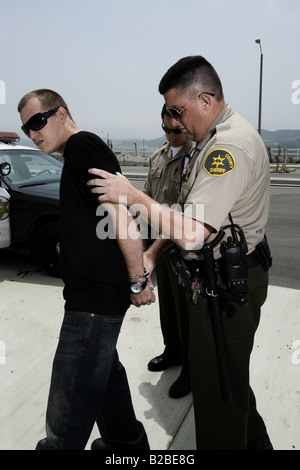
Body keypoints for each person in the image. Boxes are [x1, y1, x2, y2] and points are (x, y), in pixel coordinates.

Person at [87, 55, 274, 450]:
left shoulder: (228, 146)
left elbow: (191, 232)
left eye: (178, 110)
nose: (173, 120)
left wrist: (132, 195)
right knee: (230, 381)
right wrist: (153, 253)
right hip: (215, 280)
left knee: (216, 390)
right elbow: (185, 216)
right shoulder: (206, 142)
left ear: (205, 100)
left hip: (227, 286)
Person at [17, 89, 155, 451]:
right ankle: (127, 448)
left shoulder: (83, 148)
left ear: (61, 114)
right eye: (25, 128)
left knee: (67, 412)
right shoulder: (76, 154)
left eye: (37, 122)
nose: (32, 134)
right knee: (104, 380)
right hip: (93, 298)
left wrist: (138, 278)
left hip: (92, 304)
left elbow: (121, 217)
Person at [144, 104, 194, 398]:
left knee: (187, 311)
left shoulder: (195, 158)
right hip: (158, 244)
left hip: (183, 247)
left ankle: (190, 367)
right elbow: (147, 197)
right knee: (168, 307)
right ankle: (172, 351)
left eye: (176, 130)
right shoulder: (157, 157)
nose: (171, 135)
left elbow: (190, 212)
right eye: (166, 129)